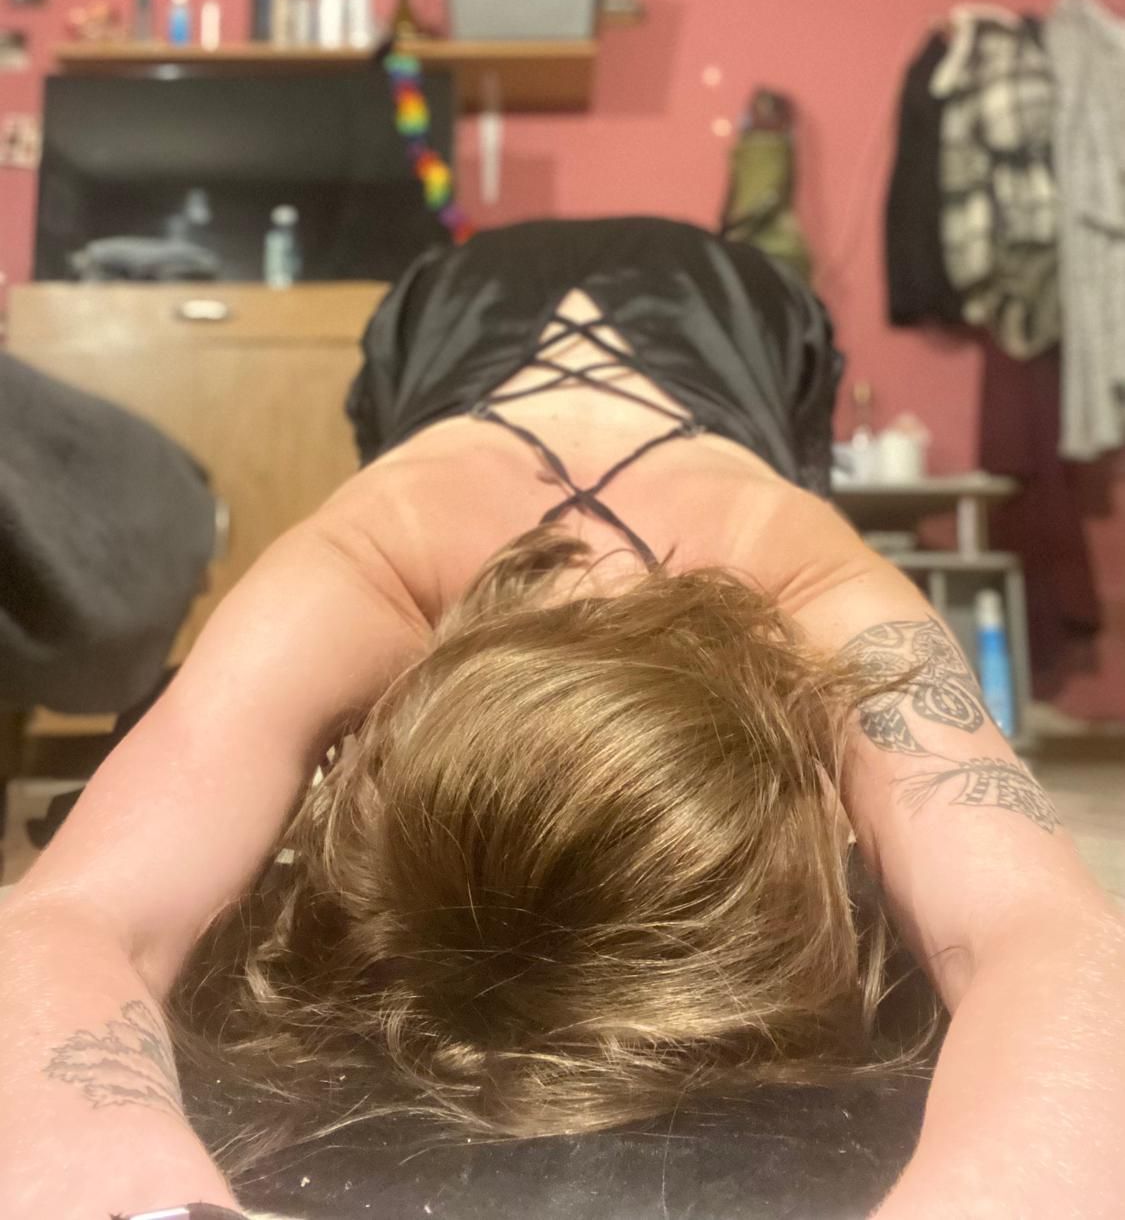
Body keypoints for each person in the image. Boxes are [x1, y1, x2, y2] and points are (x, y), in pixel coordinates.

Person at [1, 217, 1122, 1220]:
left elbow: (1046, 940)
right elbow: (1044, 928)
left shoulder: (784, 575)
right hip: (550, 312)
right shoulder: (378, 564)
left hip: (596, 309)